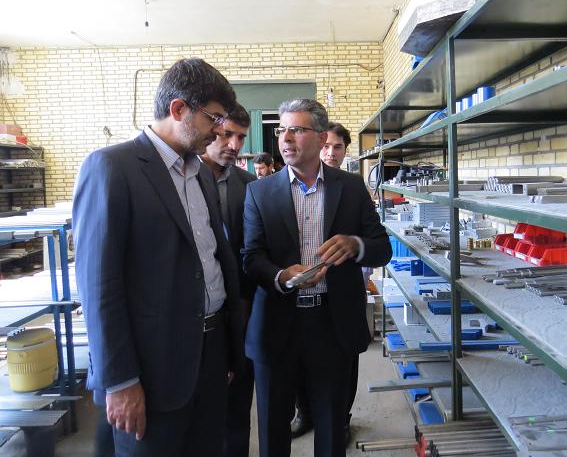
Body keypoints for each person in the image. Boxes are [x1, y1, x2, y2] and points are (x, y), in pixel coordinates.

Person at [73, 58, 245, 457]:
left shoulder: (200, 173)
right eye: (214, 118)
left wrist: (226, 349)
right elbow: (99, 287)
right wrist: (120, 381)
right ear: (179, 109)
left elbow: (212, 261)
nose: (220, 130)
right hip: (151, 370)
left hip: (211, 354)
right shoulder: (112, 167)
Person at [243, 99, 392, 457]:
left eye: (296, 130)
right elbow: (251, 257)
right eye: (282, 130)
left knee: (331, 425)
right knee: (273, 427)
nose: (285, 138)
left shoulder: (351, 188)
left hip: (332, 323)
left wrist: (355, 245)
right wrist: (282, 276)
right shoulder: (260, 192)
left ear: (321, 137)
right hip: (278, 322)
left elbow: (382, 248)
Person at [291, 121, 361, 444]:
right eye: (327, 146)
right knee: (299, 365)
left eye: (338, 148)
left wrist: (355, 245)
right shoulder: (283, 188)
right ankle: (304, 412)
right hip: (296, 300)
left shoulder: (353, 188)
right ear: (318, 144)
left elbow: (377, 243)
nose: (331, 153)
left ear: (345, 152)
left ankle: (341, 418)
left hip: (340, 300)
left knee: (342, 369)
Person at [201, 103, 257, 457]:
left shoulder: (250, 185)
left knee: (238, 405)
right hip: (198, 316)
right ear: (210, 129)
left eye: (241, 137)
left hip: (240, 311)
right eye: (226, 135)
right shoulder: (181, 181)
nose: (234, 145)